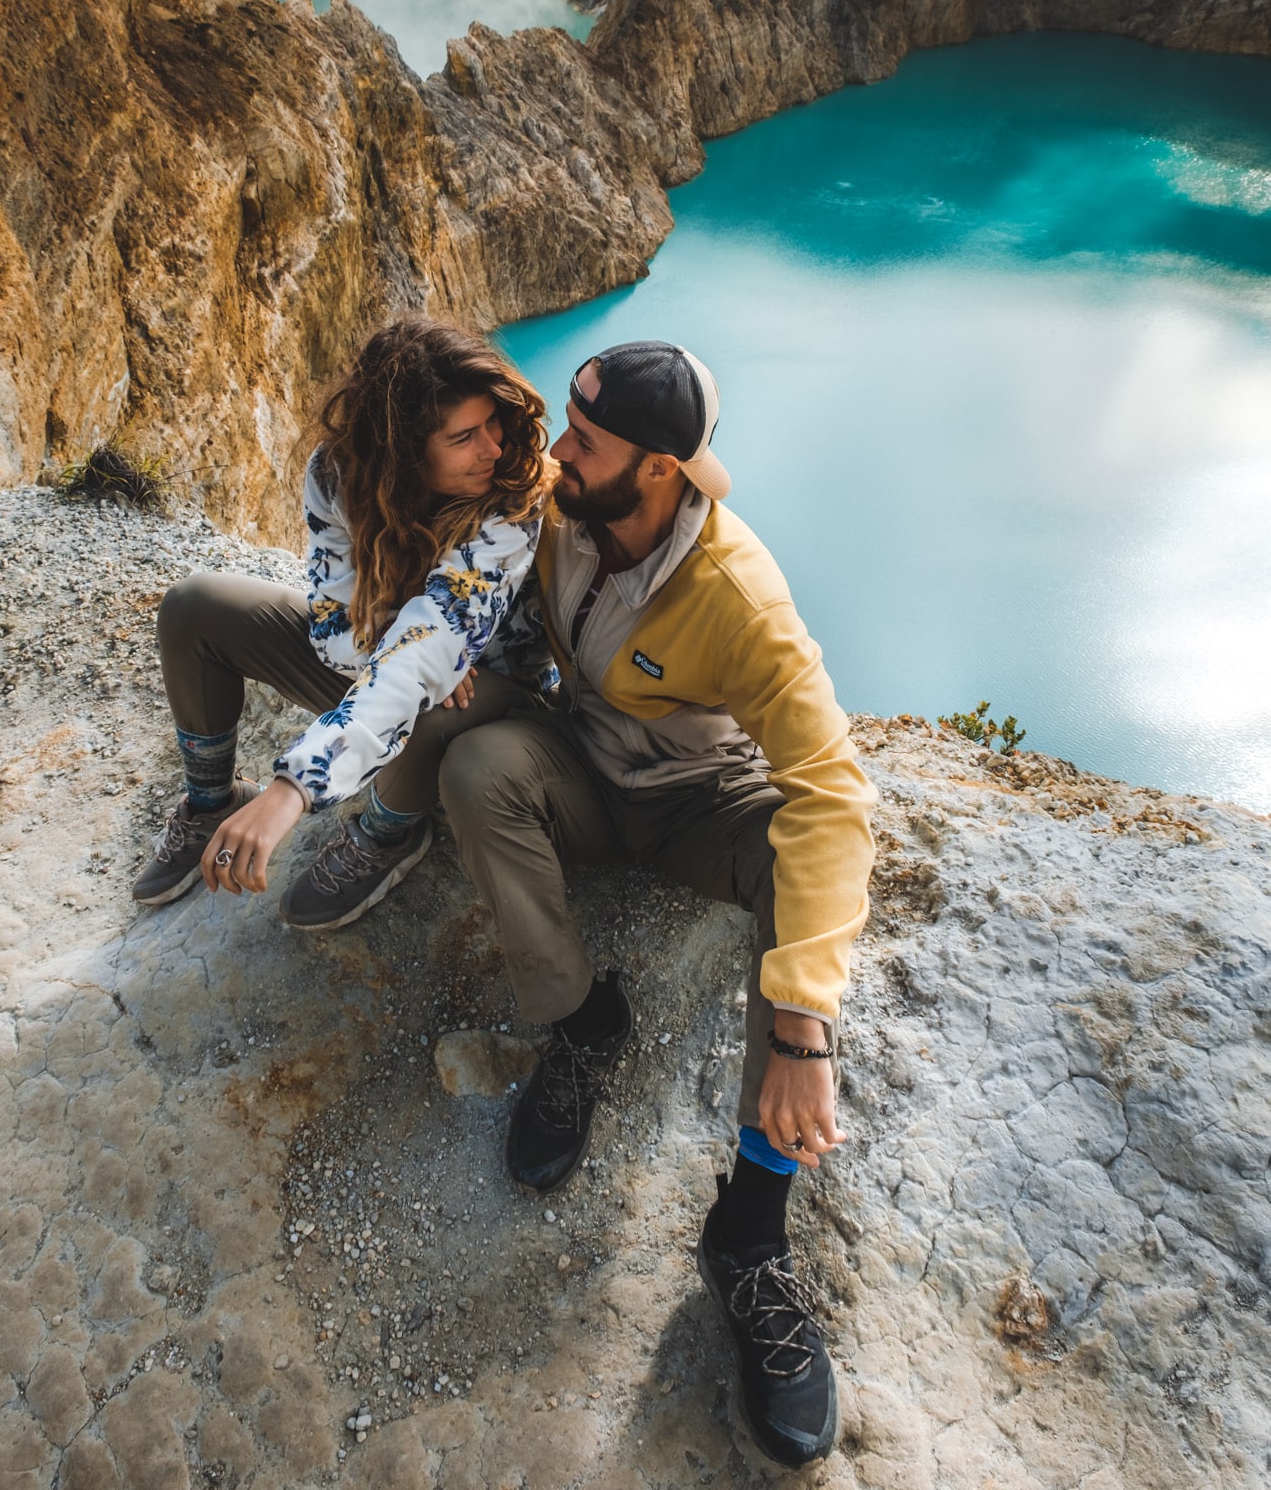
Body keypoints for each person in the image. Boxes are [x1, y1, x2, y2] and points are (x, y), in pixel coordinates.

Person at [435, 340, 876, 1471]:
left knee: (791, 860)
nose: (556, 454)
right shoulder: (560, 513)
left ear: (665, 471)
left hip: (695, 803)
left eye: (585, 441)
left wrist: (800, 1022)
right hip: (584, 774)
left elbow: (832, 795)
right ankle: (583, 1020)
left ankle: (750, 1233)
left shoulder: (737, 594)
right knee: (478, 771)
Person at [132, 315, 554, 919]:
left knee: (433, 695)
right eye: (464, 437)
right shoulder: (339, 476)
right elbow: (333, 628)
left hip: (496, 693)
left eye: (493, 424)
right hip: (384, 664)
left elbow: (422, 663)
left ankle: (389, 833)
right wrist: (399, 647)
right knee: (193, 607)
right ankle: (211, 801)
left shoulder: (513, 500)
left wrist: (295, 788)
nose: (493, 447)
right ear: (402, 452)